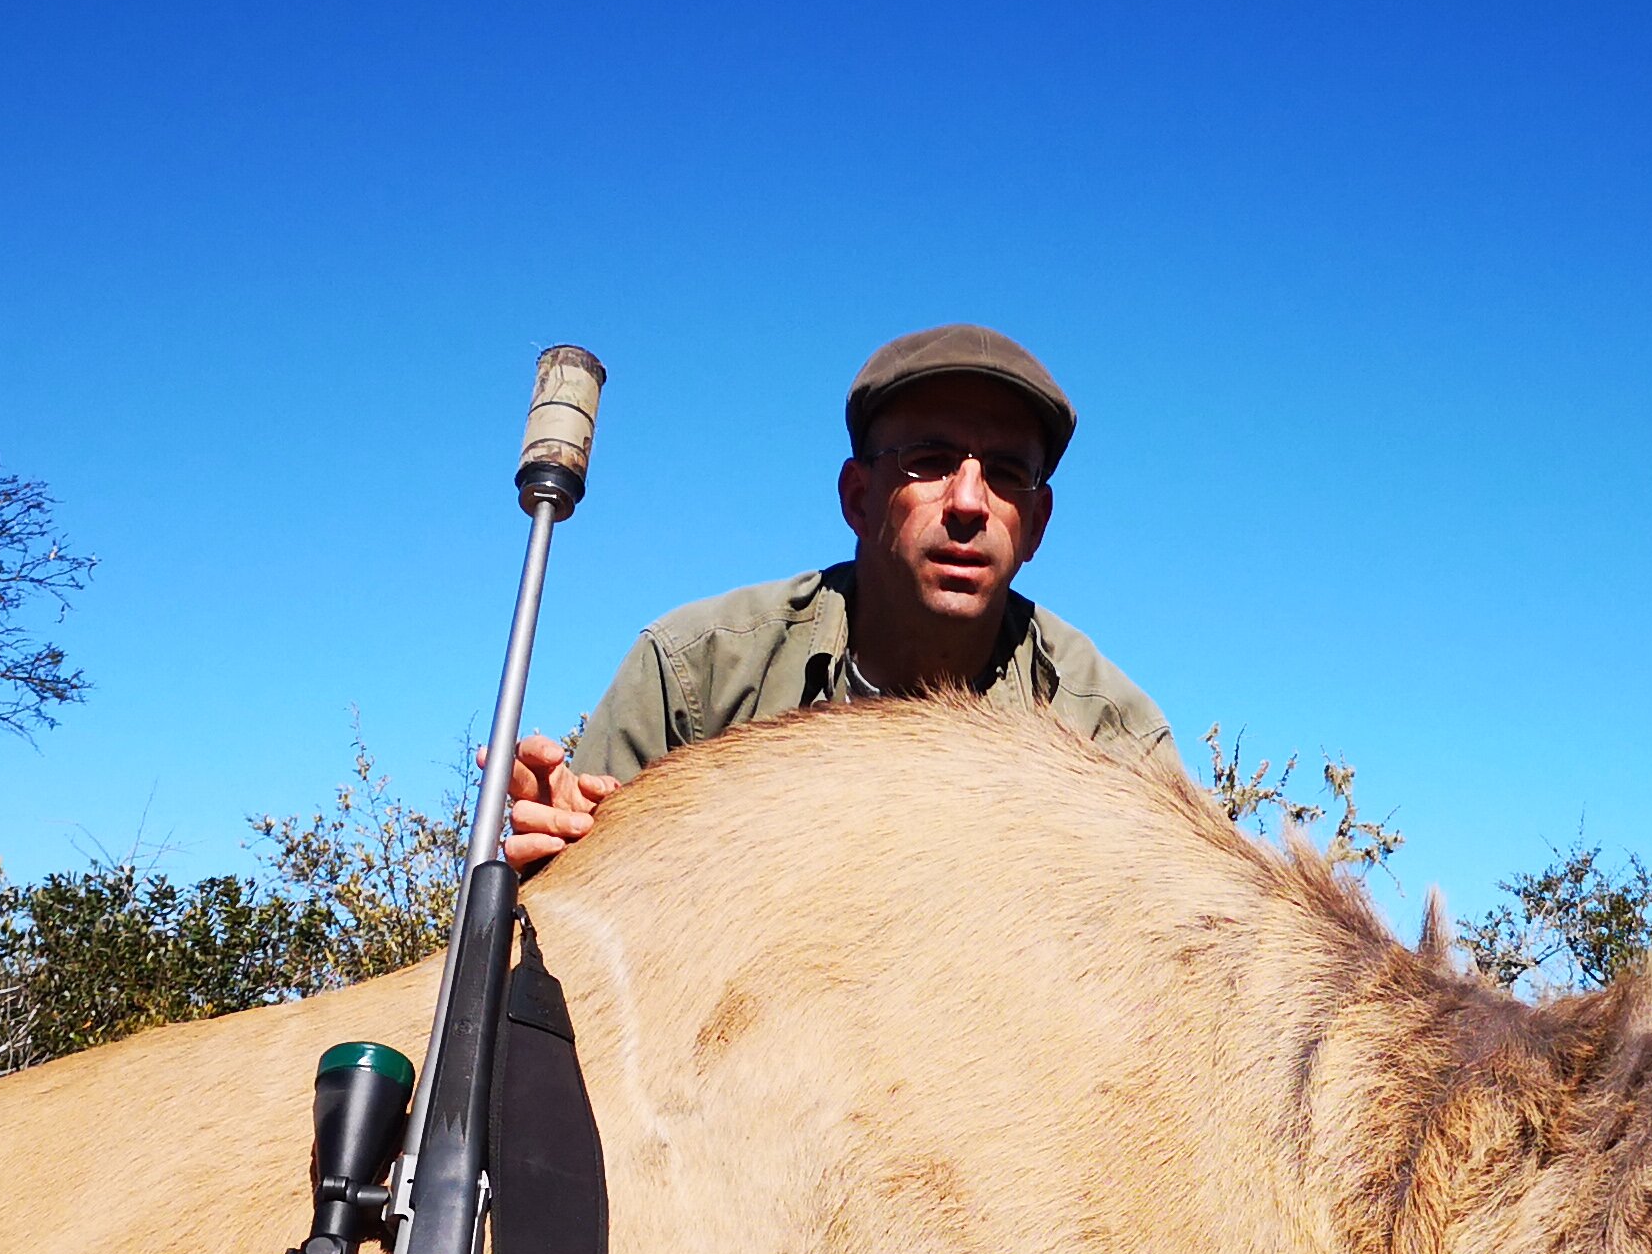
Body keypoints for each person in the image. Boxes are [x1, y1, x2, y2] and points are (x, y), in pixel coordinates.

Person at [498, 325, 1174, 868]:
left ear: (1037, 524)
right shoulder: (694, 673)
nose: (969, 502)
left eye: (1005, 474)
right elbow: (574, 931)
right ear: (858, 497)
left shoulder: (1110, 738)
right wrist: (565, 849)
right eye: (930, 462)